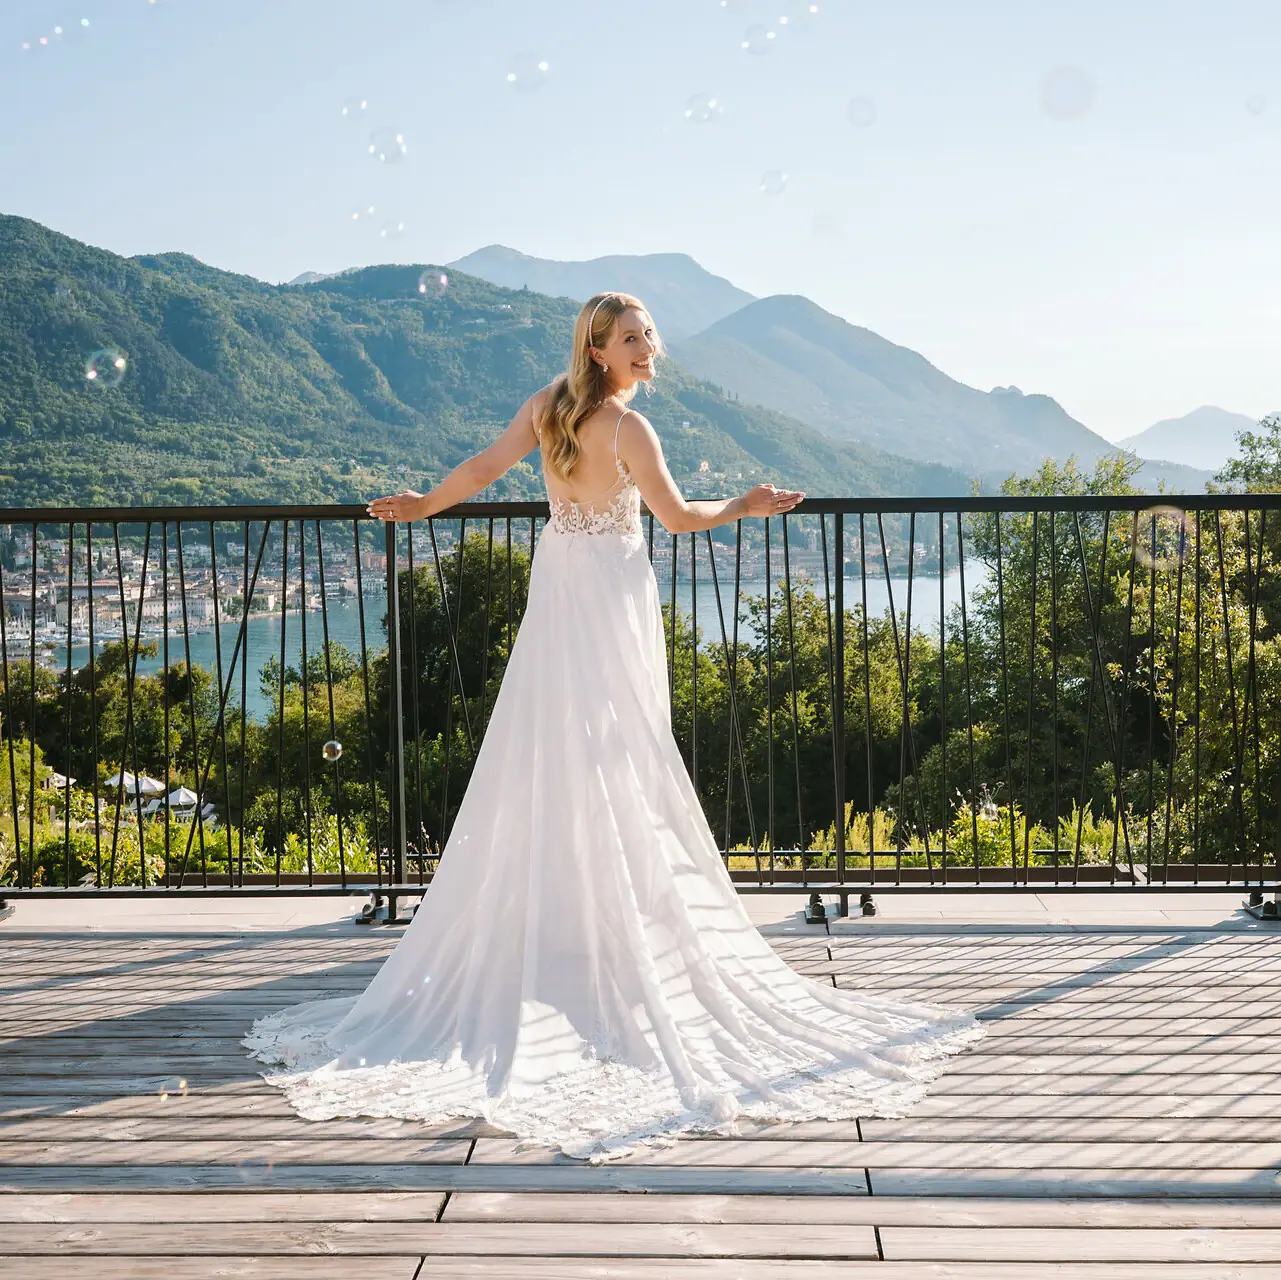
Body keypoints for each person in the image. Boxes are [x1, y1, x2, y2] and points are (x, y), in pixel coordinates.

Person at [244, 291, 983, 1162]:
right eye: (632, 339)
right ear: (597, 349)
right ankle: (611, 927)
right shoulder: (629, 428)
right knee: (620, 749)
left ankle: (563, 923)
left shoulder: (547, 408)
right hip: (610, 595)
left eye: (649, 336)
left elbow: (481, 469)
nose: (648, 349)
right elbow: (677, 519)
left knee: (551, 744)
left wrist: (423, 505)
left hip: (560, 585)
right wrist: (744, 504)